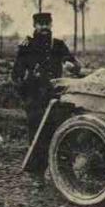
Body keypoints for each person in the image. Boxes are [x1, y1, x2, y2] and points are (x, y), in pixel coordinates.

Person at [12, 12, 81, 144]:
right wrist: (26, 97)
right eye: (40, 24)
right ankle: (35, 163)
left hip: (55, 95)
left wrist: (71, 65)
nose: (44, 27)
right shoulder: (27, 46)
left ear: (51, 24)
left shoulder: (58, 45)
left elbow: (74, 64)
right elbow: (16, 74)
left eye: (47, 24)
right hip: (35, 98)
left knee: (56, 132)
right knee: (36, 135)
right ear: (34, 25)